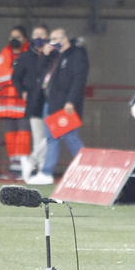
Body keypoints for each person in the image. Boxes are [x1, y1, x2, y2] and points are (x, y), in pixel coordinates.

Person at [36, 26, 88, 184]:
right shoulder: (54, 56)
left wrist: (71, 101)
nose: (52, 42)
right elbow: (39, 72)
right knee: (52, 138)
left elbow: (79, 79)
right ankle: (46, 173)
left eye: (55, 39)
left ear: (64, 38)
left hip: (64, 104)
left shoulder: (76, 54)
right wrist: (44, 55)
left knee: (70, 137)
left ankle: (87, 167)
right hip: (51, 103)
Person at [0, 25, 34, 179]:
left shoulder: (30, 56)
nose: (14, 40)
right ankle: (13, 170)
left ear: (25, 39)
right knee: (10, 139)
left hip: (23, 106)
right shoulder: (1, 57)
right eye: (12, 36)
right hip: (6, 107)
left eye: (18, 37)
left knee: (23, 138)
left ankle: (23, 169)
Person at [13, 25, 52, 182]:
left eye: (42, 34)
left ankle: (31, 162)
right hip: (35, 101)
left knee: (52, 135)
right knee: (38, 137)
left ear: (47, 36)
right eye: (36, 34)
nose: (39, 37)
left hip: (51, 100)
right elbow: (16, 77)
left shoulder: (54, 55)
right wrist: (22, 91)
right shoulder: (25, 56)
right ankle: (41, 169)